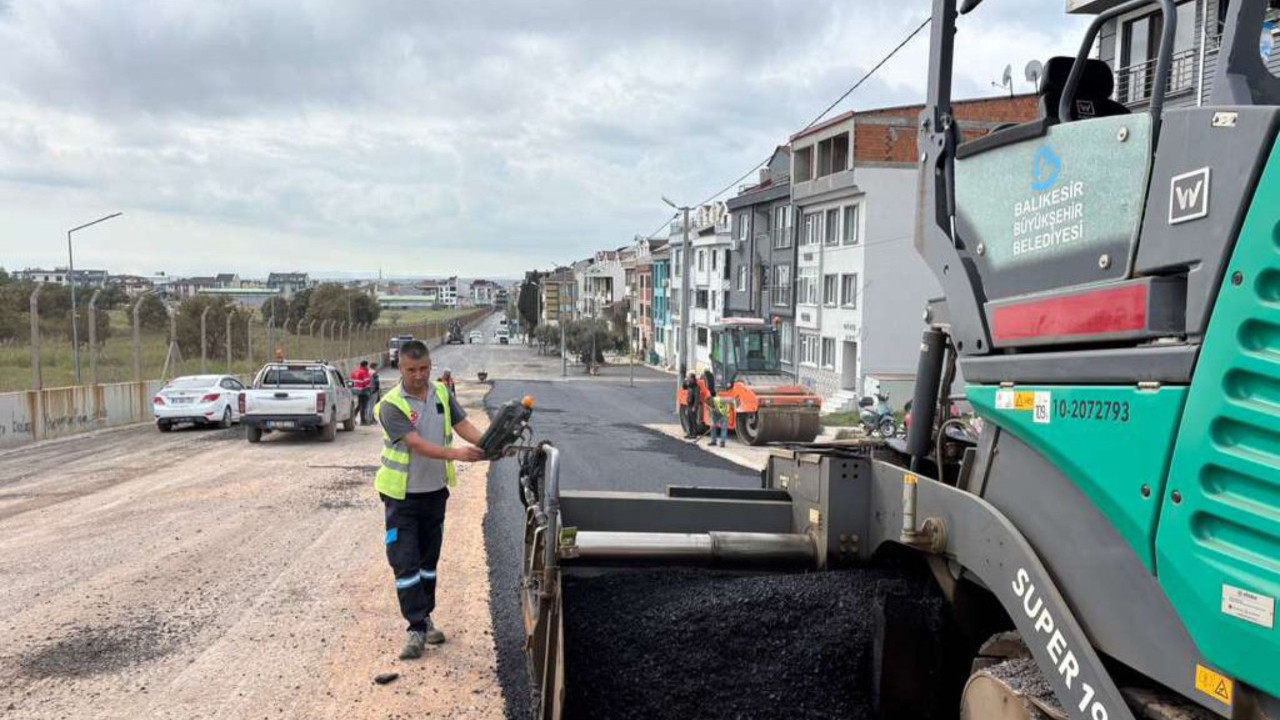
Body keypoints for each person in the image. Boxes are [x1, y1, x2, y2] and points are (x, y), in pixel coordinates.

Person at [374, 341, 487, 660]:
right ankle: (415, 629)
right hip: (401, 498)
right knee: (405, 561)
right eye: (412, 370)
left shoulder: (441, 393)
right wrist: (459, 455)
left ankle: (425, 618)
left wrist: (491, 443)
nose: (419, 376)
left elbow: (463, 425)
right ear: (400, 368)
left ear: (430, 365)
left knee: (428, 563)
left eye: (424, 368)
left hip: (434, 493)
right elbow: (416, 444)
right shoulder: (391, 405)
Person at [351, 361, 373, 426]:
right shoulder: (364, 372)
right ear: (365, 366)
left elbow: (352, 380)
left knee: (360, 405)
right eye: (367, 366)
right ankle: (363, 421)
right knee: (363, 406)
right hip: (364, 390)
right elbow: (366, 382)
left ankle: (353, 418)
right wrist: (369, 389)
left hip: (357, 390)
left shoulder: (355, 371)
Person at [681, 372, 701, 439]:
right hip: (689, 404)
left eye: (689, 377)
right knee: (689, 419)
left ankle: (694, 434)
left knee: (693, 420)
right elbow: (684, 387)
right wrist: (685, 380)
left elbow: (697, 398)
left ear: (692, 378)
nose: (688, 379)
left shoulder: (696, 386)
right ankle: (689, 433)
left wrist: (695, 406)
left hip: (693, 405)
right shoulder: (689, 385)